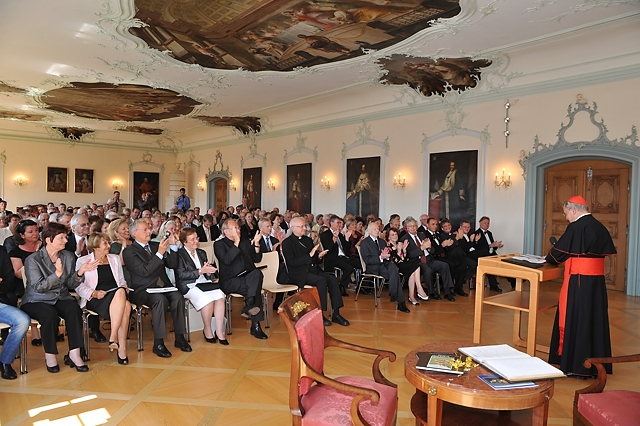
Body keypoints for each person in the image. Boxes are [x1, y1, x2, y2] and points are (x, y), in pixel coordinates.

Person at [545, 195, 616, 377]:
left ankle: (576, 365)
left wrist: (549, 258)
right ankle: (597, 365)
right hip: (596, 284)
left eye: (566, 213)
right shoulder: (599, 226)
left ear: (574, 210)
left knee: (579, 318)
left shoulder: (577, 226)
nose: (566, 217)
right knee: (594, 319)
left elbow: (555, 255)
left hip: (579, 282)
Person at [21, 222, 98, 373]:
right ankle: (50, 355)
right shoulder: (33, 259)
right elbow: (38, 287)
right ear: (48, 240)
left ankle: (75, 353)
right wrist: (57, 274)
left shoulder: (67, 256)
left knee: (74, 309)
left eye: (65, 237)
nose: (66, 241)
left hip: (60, 297)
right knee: (49, 315)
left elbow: (70, 284)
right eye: (61, 238)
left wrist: (80, 272)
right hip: (36, 299)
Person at [123, 219, 191, 357]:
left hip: (163, 286)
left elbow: (172, 265)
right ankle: (158, 343)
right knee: (160, 300)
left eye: (149, 228)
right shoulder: (129, 251)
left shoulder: (155, 246)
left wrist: (173, 246)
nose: (149, 231)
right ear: (135, 233)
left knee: (178, 297)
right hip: (143, 289)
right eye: (145, 229)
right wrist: (159, 253)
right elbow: (145, 271)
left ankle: (180, 338)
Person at [282, 217, 350, 326]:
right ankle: (320, 314)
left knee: (332, 279)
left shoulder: (307, 240)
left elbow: (315, 260)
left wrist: (319, 256)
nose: (305, 228)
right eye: (301, 226)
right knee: (321, 281)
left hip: (313, 270)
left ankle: (336, 314)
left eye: (305, 226)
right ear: (292, 228)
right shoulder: (287, 243)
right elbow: (292, 262)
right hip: (299, 273)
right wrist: (309, 256)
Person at [75, 233, 132, 364]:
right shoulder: (83, 261)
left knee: (121, 292)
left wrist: (124, 287)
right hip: (97, 297)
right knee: (126, 305)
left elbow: (121, 280)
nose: (108, 246)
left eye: (108, 243)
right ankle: (121, 348)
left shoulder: (114, 258)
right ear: (95, 246)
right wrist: (93, 293)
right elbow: (78, 286)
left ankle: (114, 338)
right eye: (105, 243)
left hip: (116, 294)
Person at [214, 219, 268, 339]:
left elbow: (257, 259)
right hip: (230, 280)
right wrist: (236, 242)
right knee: (255, 288)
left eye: (238, 228)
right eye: (235, 229)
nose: (238, 230)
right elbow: (227, 260)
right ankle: (255, 325)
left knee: (257, 274)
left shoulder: (245, 242)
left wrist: (257, 244)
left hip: (248, 277)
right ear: (226, 231)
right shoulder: (219, 244)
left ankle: (249, 305)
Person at [176, 228, 228, 345]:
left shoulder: (201, 252)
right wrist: (200, 271)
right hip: (189, 285)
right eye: (192, 239)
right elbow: (181, 275)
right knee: (207, 300)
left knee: (220, 296)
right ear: (185, 242)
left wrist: (209, 272)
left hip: (204, 283)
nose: (196, 241)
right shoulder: (179, 255)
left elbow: (207, 273)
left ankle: (219, 331)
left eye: (197, 238)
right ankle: (207, 329)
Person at [359, 222, 410, 313]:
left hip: (384, 265)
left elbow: (388, 256)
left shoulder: (382, 241)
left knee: (393, 267)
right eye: (375, 229)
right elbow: (367, 260)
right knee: (395, 274)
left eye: (378, 229)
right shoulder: (364, 243)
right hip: (374, 267)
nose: (377, 231)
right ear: (369, 231)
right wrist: (380, 257)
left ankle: (394, 294)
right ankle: (400, 302)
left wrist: (387, 256)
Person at [402, 218, 455, 302]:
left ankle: (447, 292)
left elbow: (432, 251)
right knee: (428, 270)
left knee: (444, 265)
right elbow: (410, 254)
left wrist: (429, 247)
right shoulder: (405, 238)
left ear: (417, 226)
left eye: (414, 226)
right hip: (417, 262)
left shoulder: (422, 235)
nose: (413, 228)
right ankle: (432, 292)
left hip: (429, 258)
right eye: (410, 226)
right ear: (407, 228)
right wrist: (422, 248)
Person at [320, 215, 360, 296]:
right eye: (337, 223)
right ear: (331, 223)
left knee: (360, 262)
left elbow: (346, 249)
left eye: (340, 223)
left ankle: (361, 286)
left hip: (343, 257)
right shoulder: (325, 235)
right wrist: (334, 238)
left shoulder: (340, 234)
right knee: (349, 268)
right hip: (333, 258)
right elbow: (328, 249)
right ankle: (341, 287)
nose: (339, 225)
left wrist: (347, 238)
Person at [387, 228, 427, 305]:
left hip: (403, 264)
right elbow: (394, 260)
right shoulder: (388, 246)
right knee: (414, 267)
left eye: (396, 234)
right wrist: (399, 251)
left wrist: (404, 251)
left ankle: (412, 295)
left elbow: (405, 258)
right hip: (395, 266)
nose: (395, 236)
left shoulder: (399, 244)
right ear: (389, 237)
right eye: (392, 235)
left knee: (415, 266)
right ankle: (418, 290)